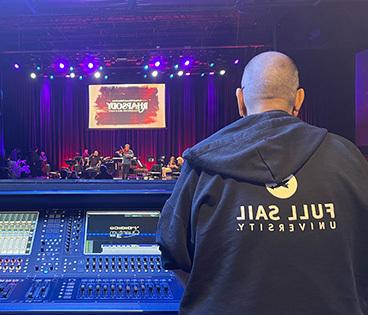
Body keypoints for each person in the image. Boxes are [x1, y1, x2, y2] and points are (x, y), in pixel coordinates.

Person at [157, 51, 368, 314]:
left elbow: (172, 252)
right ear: (299, 98)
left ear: (240, 100)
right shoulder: (349, 158)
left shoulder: (200, 165)